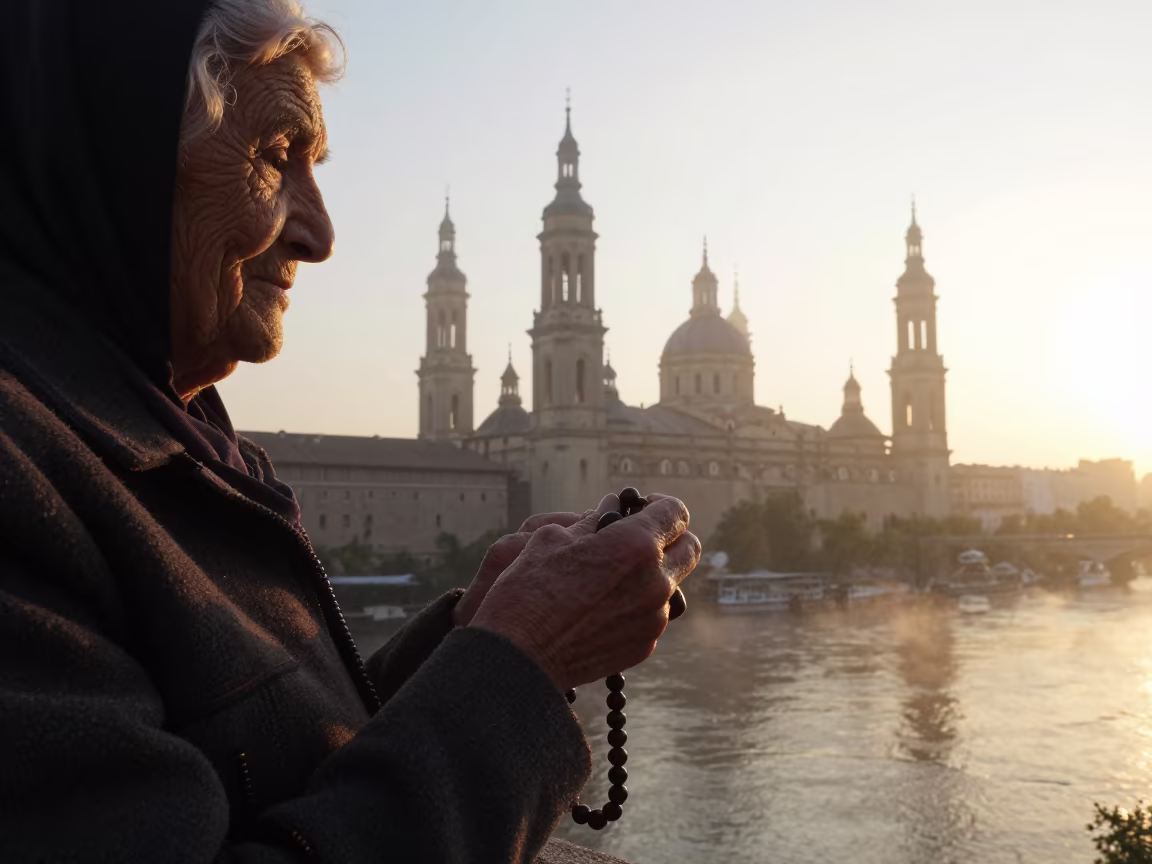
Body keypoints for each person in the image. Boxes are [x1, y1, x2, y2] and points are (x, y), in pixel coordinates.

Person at [0, 0, 701, 861]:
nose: (322, 233)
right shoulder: (25, 481)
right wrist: (521, 659)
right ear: (117, 159)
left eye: (316, 166)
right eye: (275, 157)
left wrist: (469, 635)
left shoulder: (181, 441)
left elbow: (273, 763)